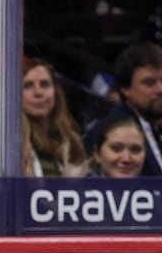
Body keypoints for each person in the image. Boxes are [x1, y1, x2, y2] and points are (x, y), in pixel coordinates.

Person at [84, 42, 162, 177]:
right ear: (125, 89)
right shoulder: (108, 130)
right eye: (149, 83)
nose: (160, 89)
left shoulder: (153, 126)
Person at [21, 57, 88, 177]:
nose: (38, 92)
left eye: (45, 84)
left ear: (56, 92)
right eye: (28, 86)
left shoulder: (72, 140)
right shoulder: (14, 142)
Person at [87, 111, 147, 178]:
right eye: (116, 148)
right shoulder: (80, 187)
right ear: (97, 154)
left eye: (135, 150)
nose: (126, 159)